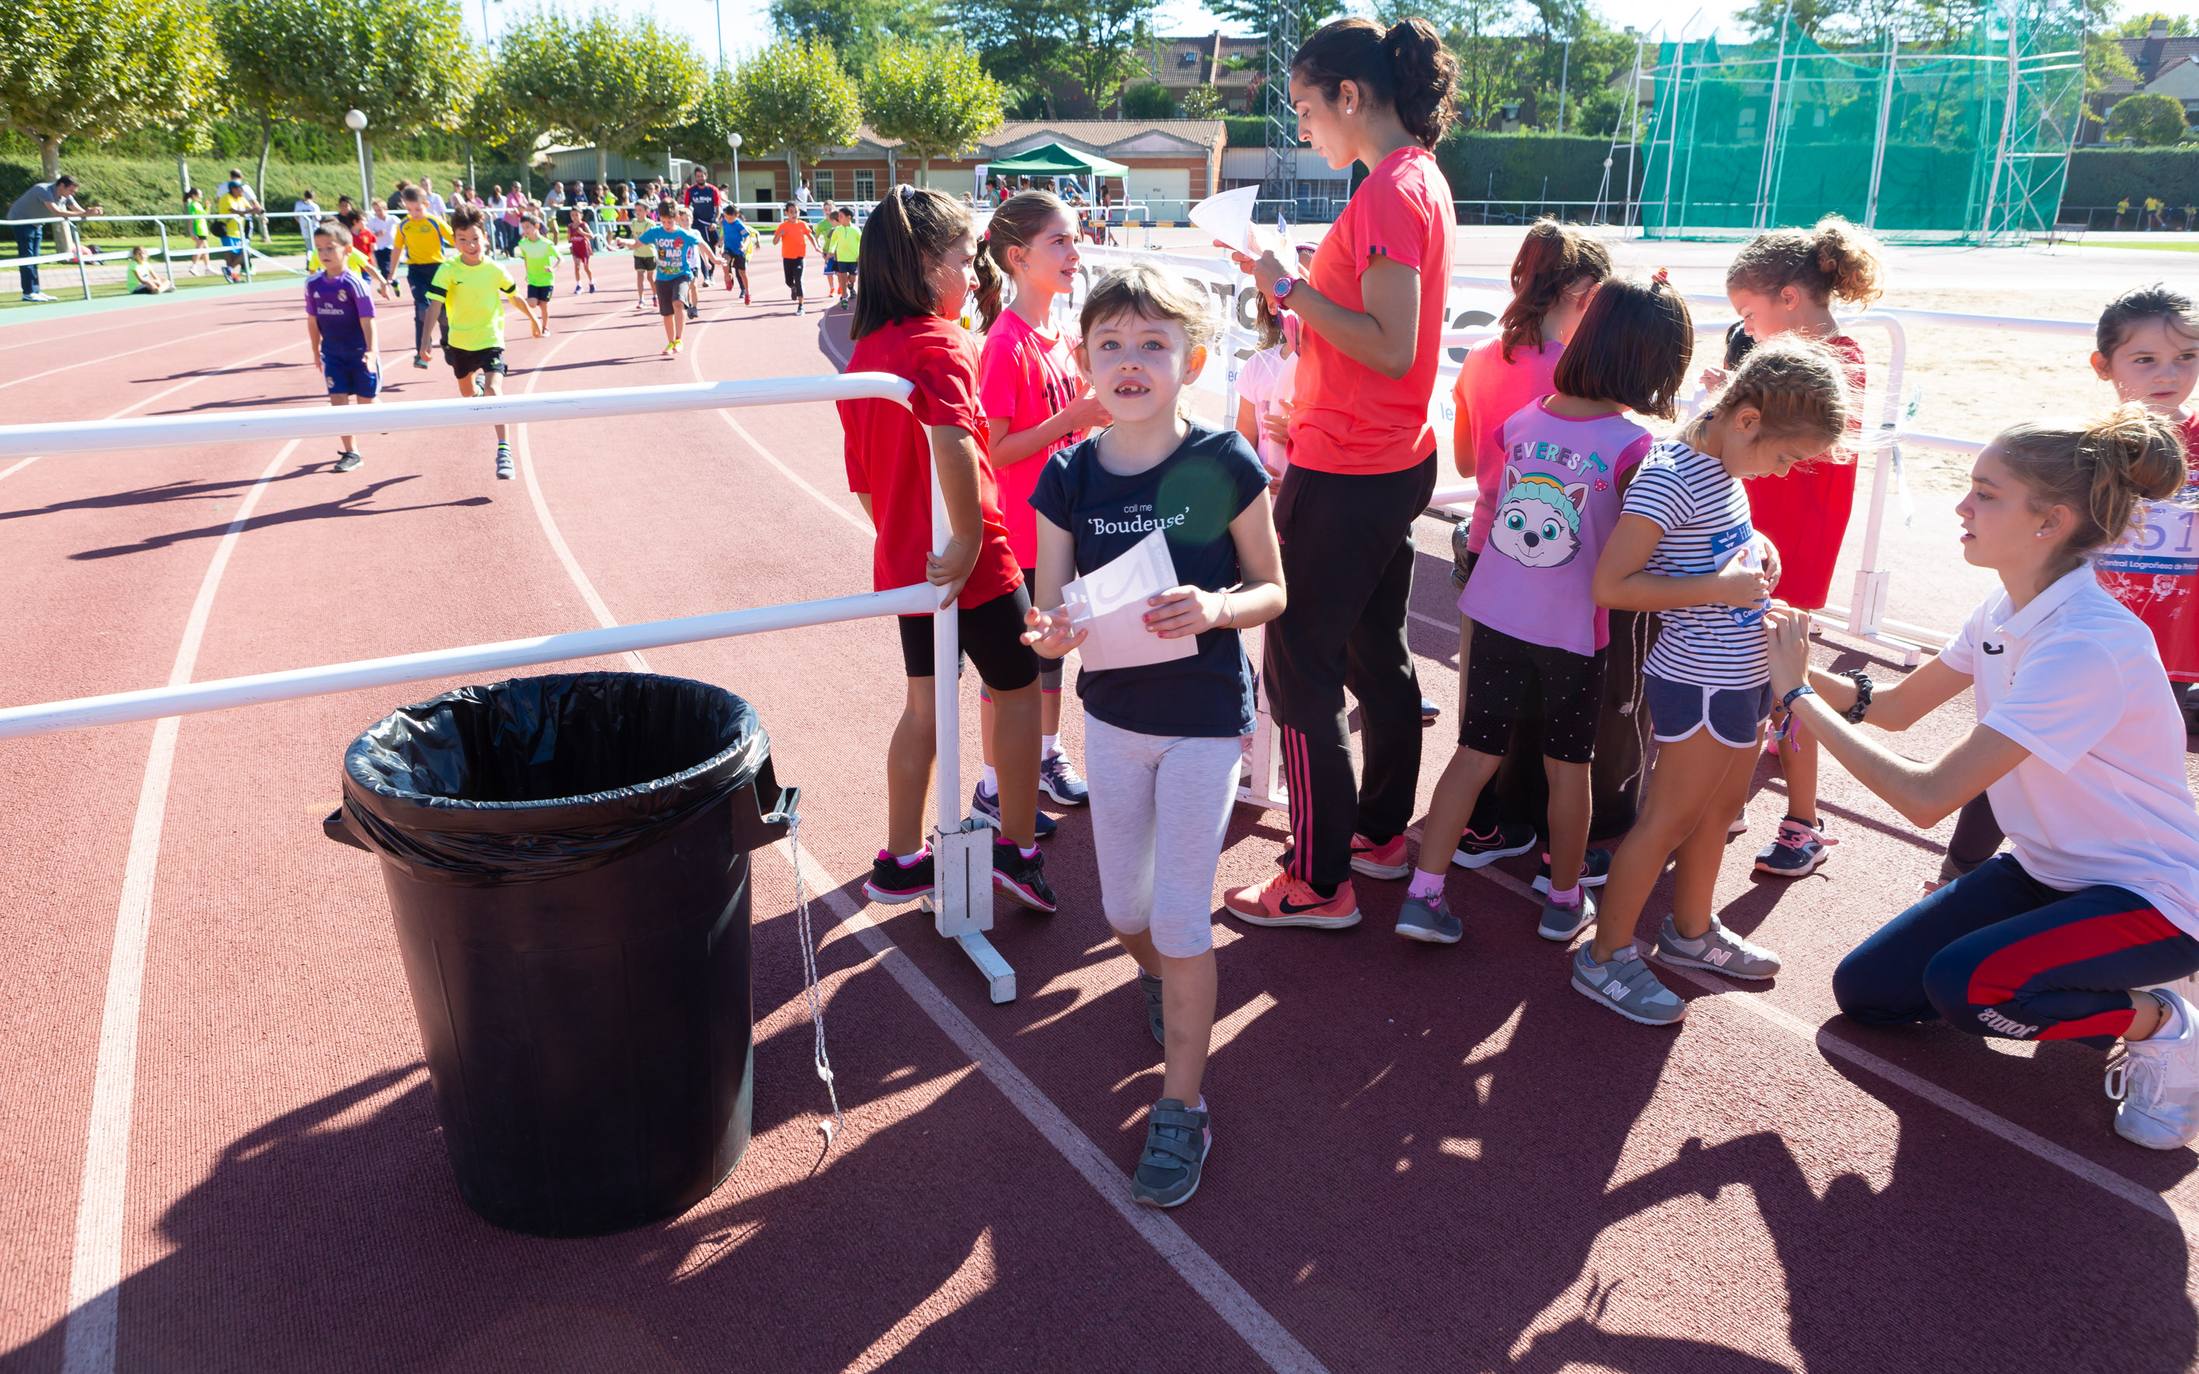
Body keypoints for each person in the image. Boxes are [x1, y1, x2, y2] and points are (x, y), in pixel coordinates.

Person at [1771, 406, 2199, 1150]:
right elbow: (1896, 708)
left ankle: (2165, 1022)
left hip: (2153, 898)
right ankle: (2078, 987)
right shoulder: (2006, 606)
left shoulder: (2084, 646)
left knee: (1970, 987)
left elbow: (1926, 798)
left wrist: (1796, 696)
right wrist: (1770, 652)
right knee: (1867, 993)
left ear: (2049, 521)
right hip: (2045, 871)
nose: (1961, 506)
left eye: (1985, 493)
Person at [1021, 263, 1286, 1208]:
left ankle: (1182, 1108)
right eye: (1109, 345)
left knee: (1178, 917)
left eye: (1151, 343)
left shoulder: (1221, 462)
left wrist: (1216, 608)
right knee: (1125, 919)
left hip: (1206, 726)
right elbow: (1049, 605)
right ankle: (1170, 987)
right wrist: (1049, 630)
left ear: (1191, 358)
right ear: (1082, 359)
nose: (1129, 362)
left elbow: (1272, 587)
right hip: (1114, 721)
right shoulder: (1069, 471)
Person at [1216, 17, 1460, 930]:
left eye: (1305, 108)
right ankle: (1378, 833)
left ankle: (1318, 881)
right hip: (1378, 453)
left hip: (1351, 463)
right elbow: (1375, 331)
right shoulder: (1410, 179)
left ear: (1349, 97)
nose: (1303, 127)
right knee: (1369, 649)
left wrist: (1290, 289)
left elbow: (1391, 347)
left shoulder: (1393, 189)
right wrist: (1294, 293)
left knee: (1301, 667)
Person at [1571, 338, 1851, 1025]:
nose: (1782, 474)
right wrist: (1719, 584)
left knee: (1718, 812)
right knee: (1666, 819)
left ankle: (1688, 932)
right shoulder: (1672, 475)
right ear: (1747, 418)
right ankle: (1603, 956)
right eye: (1784, 458)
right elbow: (1611, 585)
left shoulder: (1721, 462)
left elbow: (1709, 553)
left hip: (1739, 675)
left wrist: (1755, 554)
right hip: (1697, 680)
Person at [1398, 274, 1685, 946]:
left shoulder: (1526, 420)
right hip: (1570, 634)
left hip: (1496, 615)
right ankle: (1561, 898)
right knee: (1568, 768)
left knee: (1472, 756)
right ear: (1652, 364)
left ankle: (1423, 892)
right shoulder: (1634, 448)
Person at [1932, 284, 2199, 893]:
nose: (2169, 374)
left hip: (2164, 654)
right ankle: (1962, 879)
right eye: (2146, 359)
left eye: (2186, 357)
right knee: (2015, 762)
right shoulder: (2080, 453)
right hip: (2068, 640)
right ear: (2103, 366)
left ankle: (2133, 898)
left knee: (2123, 779)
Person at [837, 184, 1054, 912]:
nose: (974, 274)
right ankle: (1016, 846)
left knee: (924, 705)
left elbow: (863, 482)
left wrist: (905, 537)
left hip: (906, 562)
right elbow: (955, 440)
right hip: (976, 560)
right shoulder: (940, 342)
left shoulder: (865, 352)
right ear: (929, 266)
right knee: (1019, 689)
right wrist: (963, 538)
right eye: (965, 260)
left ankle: (899, 856)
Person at [1438, 218, 1613, 869]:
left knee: (1481, 712)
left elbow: (1463, 461)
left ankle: (1478, 828)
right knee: (1560, 724)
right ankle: (1556, 856)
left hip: (1486, 550)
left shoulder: (1480, 360)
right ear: (1583, 290)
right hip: (1559, 564)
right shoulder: (1577, 375)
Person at [1718, 214, 1882, 879]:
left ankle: (1802, 822)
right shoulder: (1798, 354)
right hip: (1764, 531)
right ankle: (1727, 786)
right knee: (1750, 664)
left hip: (1795, 539)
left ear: (1789, 298)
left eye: (1748, 313)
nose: (1745, 328)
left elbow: (1776, 439)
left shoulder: (1835, 359)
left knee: (1787, 679)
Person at [973, 190, 1108, 835]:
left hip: (1062, 528)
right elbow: (995, 451)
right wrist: (1073, 416)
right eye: (1061, 242)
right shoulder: (1004, 343)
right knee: (1014, 665)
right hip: (1021, 530)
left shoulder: (1058, 336)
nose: (1075, 253)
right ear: (1018, 258)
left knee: (1055, 650)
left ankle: (1047, 754)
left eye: (1075, 238)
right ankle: (993, 783)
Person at [415, 205, 535, 480]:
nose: (470, 245)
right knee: (469, 395)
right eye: (462, 239)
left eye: (475, 239)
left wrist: (533, 319)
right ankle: (478, 391)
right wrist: (426, 339)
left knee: (495, 389)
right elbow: (434, 304)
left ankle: (504, 449)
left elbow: (514, 296)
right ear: (454, 241)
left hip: (491, 338)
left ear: (486, 239)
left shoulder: (495, 269)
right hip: (459, 342)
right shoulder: (448, 269)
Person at [304, 224, 381, 474]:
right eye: (319, 249)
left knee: (366, 405)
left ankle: (382, 410)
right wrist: (316, 351)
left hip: (358, 352)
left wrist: (371, 350)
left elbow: (367, 320)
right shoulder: (313, 284)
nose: (323, 254)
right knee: (338, 402)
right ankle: (352, 452)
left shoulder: (354, 284)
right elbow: (313, 320)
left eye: (330, 248)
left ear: (348, 250)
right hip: (333, 354)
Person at [1233, 290, 1300, 490]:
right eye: (1295, 291)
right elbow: (1244, 439)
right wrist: (1254, 473)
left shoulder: (1333, 369)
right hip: (1266, 502)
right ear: (1272, 304)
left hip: (1312, 496)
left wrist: (1306, 435)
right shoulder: (1257, 364)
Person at [8, 173, 98, 303]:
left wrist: (92, 212)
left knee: (35, 257)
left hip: (37, 223)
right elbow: (57, 212)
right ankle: (28, 292)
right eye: (71, 190)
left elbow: (79, 211)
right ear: (61, 185)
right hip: (21, 222)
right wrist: (84, 213)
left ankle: (35, 290)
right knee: (28, 257)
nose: (72, 194)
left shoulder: (66, 195)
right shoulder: (43, 190)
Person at [390, 188, 455, 364]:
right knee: (422, 310)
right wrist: (392, 273)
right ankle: (421, 353)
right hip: (416, 271)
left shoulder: (435, 222)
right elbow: (397, 249)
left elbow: (455, 239)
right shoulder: (404, 225)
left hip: (437, 269)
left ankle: (447, 344)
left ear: (426, 205)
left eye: (417, 209)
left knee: (443, 314)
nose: (414, 214)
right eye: (409, 210)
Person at [639, 205, 713, 356]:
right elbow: (636, 243)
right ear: (660, 219)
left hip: (682, 273)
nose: (667, 225)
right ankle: (671, 341)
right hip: (662, 278)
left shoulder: (683, 234)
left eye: (670, 222)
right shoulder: (655, 232)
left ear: (676, 220)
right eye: (664, 221)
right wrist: (623, 242)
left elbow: (701, 243)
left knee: (678, 302)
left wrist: (713, 259)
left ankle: (679, 339)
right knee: (667, 313)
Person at [514, 213, 561, 333]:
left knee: (544, 306)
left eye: (527, 227)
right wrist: (527, 273)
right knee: (531, 304)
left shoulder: (547, 244)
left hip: (546, 280)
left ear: (537, 226)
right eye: (523, 227)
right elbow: (526, 259)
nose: (525, 230)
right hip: (533, 279)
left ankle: (545, 328)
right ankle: (536, 321)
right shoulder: (523, 244)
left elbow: (561, 259)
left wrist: (553, 268)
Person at [683, 167, 724, 281]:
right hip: (697, 223)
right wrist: (687, 221)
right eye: (698, 176)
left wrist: (714, 221)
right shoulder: (691, 191)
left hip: (710, 223)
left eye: (702, 176)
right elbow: (686, 208)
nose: (700, 178)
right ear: (695, 177)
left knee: (711, 248)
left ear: (706, 176)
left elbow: (718, 208)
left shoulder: (713, 190)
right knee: (700, 248)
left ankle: (711, 275)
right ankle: (706, 276)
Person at [213, 179, 257, 284]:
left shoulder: (241, 198)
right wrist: (251, 210)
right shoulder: (226, 198)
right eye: (240, 188)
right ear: (233, 189)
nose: (242, 190)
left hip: (239, 231)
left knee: (244, 253)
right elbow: (236, 211)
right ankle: (232, 275)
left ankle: (229, 270)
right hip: (227, 231)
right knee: (231, 255)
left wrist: (257, 210)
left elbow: (250, 208)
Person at [773, 201, 814, 314]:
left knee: (799, 280)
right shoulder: (783, 226)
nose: (794, 214)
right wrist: (780, 234)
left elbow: (810, 236)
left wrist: (816, 246)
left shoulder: (802, 224)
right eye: (791, 212)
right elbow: (774, 242)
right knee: (788, 281)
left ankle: (801, 306)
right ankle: (793, 287)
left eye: (796, 212)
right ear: (786, 213)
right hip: (787, 258)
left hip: (799, 258)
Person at [363, 200, 398, 294]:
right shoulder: (373, 221)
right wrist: (376, 234)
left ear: (385, 209)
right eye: (375, 210)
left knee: (388, 268)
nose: (377, 212)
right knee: (383, 269)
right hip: (379, 248)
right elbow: (369, 233)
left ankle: (388, 285)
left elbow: (401, 227)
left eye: (379, 210)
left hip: (391, 247)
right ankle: (392, 283)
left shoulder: (393, 218)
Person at [829, 208, 863, 307]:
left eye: (841, 216)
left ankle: (851, 286)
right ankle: (844, 298)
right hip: (841, 258)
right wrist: (831, 250)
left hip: (853, 259)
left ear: (849, 218)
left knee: (852, 278)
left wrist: (860, 254)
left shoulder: (856, 230)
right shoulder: (837, 230)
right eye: (838, 216)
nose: (838, 218)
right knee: (842, 279)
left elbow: (861, 243)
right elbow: (833, 241)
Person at [630, 202, 660, 310]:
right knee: (639, 276)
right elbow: (634, 237)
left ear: (646, 211)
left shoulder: (650, 224)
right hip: (638, 253)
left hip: (649, 253)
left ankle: (655, 295)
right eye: (636, 210)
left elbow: (649, 239)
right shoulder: (633, 223)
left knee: (650, 277)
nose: (637, 212)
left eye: (640, 210)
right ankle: (641, 299)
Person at [722, 206, 754, 303]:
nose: (729, 220)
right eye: (727, 217)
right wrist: (720, 242)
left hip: (739, 250)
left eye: (731, 218)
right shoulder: (724, 222)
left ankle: (747, 292)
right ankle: (728, 278)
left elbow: (747, 237)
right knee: (724, 262)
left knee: (742, 273)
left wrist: (744, 245)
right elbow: (725, 234)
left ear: (736, 216)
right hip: (728, 249)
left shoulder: (739, 225)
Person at [566, 195, 595, 294]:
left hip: (584, 249)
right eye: (572, 215)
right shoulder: (570, 226)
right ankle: (579, 285)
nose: (574, 217)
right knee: (577, 266)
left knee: (586, 268)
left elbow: (592, 236)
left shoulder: (583, 225)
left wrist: (582, 233)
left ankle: (591, 282)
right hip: (575, 249)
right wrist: (569, 238)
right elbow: (569, 239)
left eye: (576, 215)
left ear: (581, 215)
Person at [183, 188, 213, 276]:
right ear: (194, 196)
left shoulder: (198, 204)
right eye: (200, 194)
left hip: (203, 229)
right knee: (200, 249)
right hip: (198, 229)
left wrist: (208, 207)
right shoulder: (192, 205)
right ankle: (194, 266)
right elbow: (191, 219)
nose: (201, 196)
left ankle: (207, 267)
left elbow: (205, 215)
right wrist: (191, 232)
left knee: (205, 249)